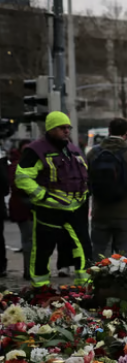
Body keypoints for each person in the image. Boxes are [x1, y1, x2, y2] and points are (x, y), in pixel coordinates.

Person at [16, 112, 91, 287]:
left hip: (75, 210)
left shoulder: (74, 149)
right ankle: (40, 289)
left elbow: (84, 175)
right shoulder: (35, 150)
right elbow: (22, 177)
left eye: (68, 128)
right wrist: (42, 195)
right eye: (61, 128)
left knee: (84, 250)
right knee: (43, 250)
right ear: (50, 129)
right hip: (49, 210)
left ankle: (85, 288)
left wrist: (87, 192)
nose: (66, 131)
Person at [85, 117, 127, 259]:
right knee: (123, 255)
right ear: (126, 133)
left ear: (109, 131)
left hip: (100, 211)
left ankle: (100, 273)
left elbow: (87, 181)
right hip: (126, 213)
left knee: (99, 254)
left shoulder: (93, 153)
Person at [7, 141, 32, 279]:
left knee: (31, 240)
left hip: (28, 207)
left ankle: (32, 270)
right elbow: (17, 185)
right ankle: (29, 271)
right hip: (24, 207)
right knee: (29, 240)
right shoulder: (17, 165)